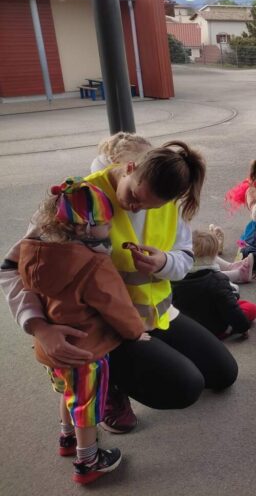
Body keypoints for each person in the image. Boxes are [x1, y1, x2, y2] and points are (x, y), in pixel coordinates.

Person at [1, 140, 238, 433]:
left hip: (157, 316)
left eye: (152, 206)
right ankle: (110, 383)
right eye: (134, 197)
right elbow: (14, 267)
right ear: (129, 168)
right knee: (185, 388)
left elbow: (185, 259)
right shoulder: (78, 199)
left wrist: (164, 261)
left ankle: (146, 359)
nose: (137, 209)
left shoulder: (167, 203)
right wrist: (39, 327)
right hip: (104, 329)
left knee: (224, 374)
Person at [17, 178, 147, 484]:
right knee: (86, 404)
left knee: (66, 394)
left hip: (51, 348)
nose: (109, 228)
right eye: (104, 223)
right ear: (83, 227)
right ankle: (88, 461)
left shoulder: (36, 254)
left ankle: (67, 439)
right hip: (85, 350)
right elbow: (117, 306)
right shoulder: (94, 264)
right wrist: (135, 332)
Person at [171, 229, 256, 339]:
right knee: (250, 308)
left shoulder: (174, 276)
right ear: (213, 256)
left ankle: (237, 275)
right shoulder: (217, 281)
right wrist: (243, 327)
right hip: (213, 329)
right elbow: (231, 309)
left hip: (187, 328)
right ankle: (230, 327)